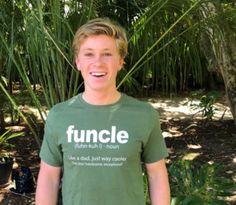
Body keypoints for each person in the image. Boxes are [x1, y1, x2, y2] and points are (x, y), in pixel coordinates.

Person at [35, 17, 170, 205]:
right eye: (89, 54)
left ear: (120, 61)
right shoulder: (59, 116)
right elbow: (49, 177)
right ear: (78, 62)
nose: (98, 62)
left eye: (107, 54)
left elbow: (156, 174)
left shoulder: (144, 115)